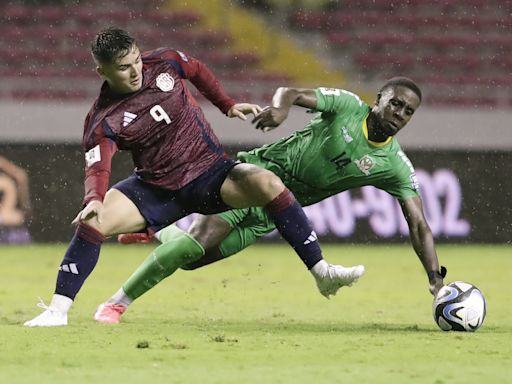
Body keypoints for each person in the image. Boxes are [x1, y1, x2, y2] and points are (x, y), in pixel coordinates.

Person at [24, 27, 363, 327]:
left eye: (136, 60)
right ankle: (57, 311)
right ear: (102, 71)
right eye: (124, 68)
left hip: (209, 173)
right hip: (155, 189)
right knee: (94, 223)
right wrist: (93, 198)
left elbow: (197, 69)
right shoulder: (104, 120)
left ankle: (322, 273)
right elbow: (98, 165)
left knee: (268, 183)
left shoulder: (165, 62)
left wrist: (226, 104)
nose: (136, 71)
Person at [94, 78, 447, 324]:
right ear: (379, 100)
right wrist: (279, 110)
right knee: (195, 244)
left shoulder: (395, 165)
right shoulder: (348, 107)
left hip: (274, 214)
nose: (399, 113)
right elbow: (290, 92)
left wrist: (435, 279)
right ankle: (116, 304)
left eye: (408, 111)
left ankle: (157, 231)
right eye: (395, 103)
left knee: (190, 259)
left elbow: (418, 223)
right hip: (252, 179)